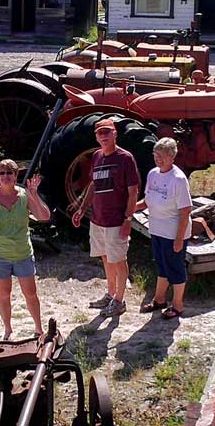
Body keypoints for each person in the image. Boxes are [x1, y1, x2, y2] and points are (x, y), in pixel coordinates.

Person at [0, 159, 51, 340]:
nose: (5, 176)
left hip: (22, 253)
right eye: (2, 173)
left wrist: (34, 195)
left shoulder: (24, 195)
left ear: (16, 175)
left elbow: (44, 216)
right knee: (4, 294)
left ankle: (38, 328)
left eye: (9, 173)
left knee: (30, 293)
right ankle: (8, 329)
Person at [72, 118, 140, 317]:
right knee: (105, 257)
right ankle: (110, 294)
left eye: (107, 132)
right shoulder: (96, 156)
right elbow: (93, 185)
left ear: (115, 133)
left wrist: (128, 219)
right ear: (96, 136)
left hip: (116, 220)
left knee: (119, 259)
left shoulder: (125, 158)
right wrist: (82, 208)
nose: (103, 136)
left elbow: (133, 191)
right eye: (100, 133)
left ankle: (120, 300)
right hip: (97, 218)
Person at [135, 137, 192, 320]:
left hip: (173, 232)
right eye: (156, 154)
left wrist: (178, 239)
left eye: (163, 155)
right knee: (161, 265)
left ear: (172, 156)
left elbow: (185, 211)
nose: (158, 158)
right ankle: (159, 300)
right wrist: (130, 207)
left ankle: (178, 305)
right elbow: (147, 201)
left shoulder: (179, 179)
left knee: (175, 267)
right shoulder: (152, 174)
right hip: (156, 230)